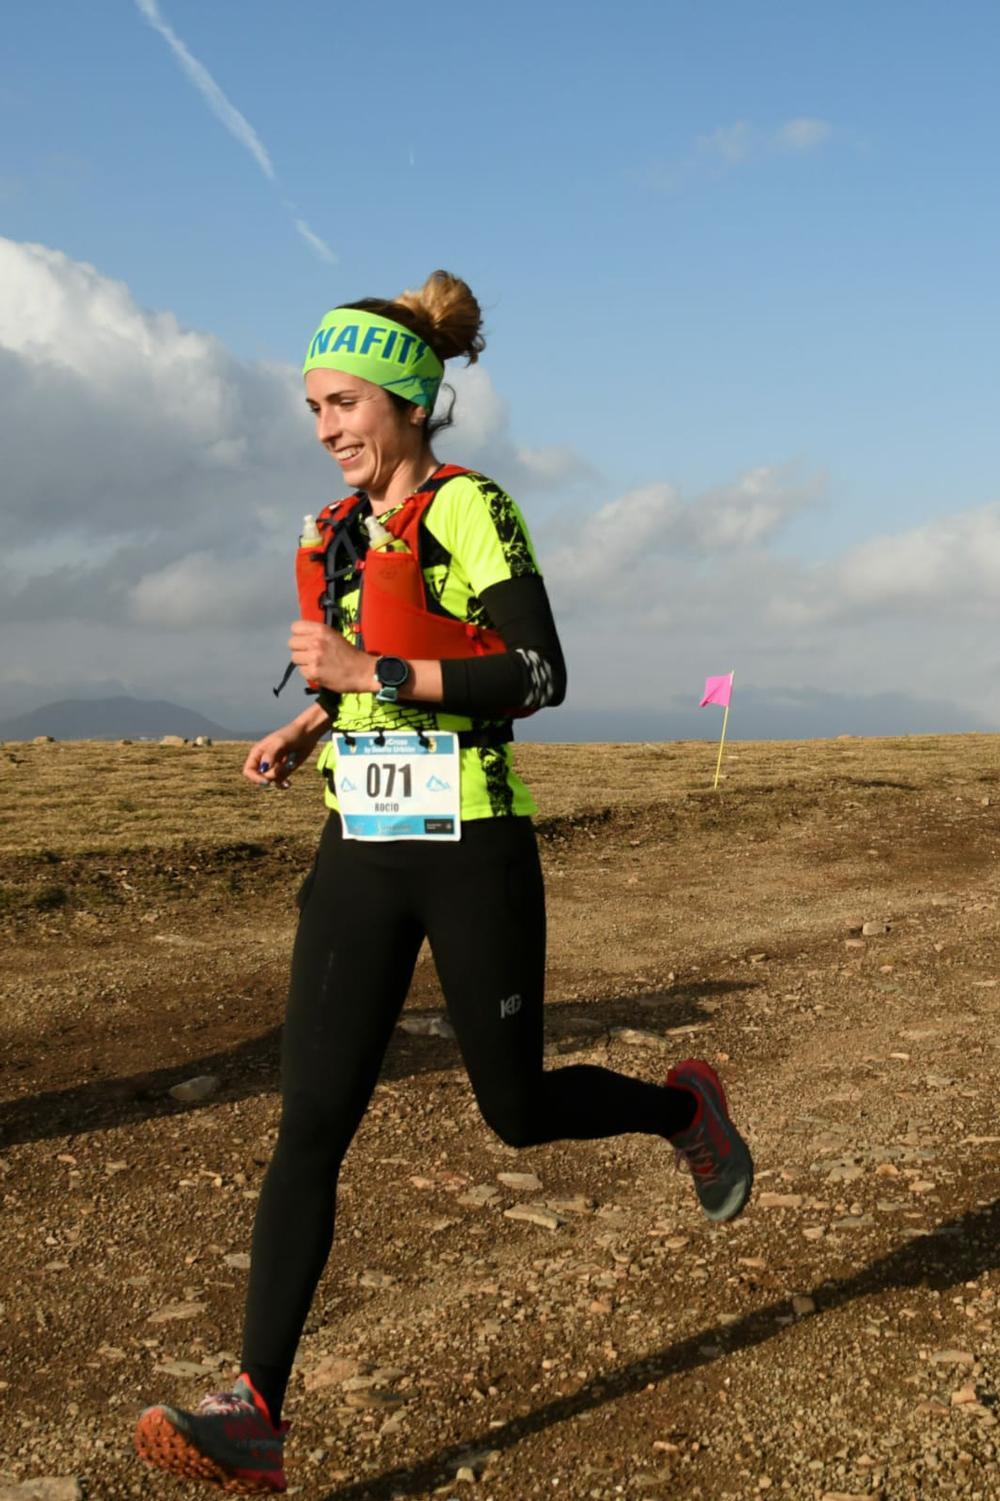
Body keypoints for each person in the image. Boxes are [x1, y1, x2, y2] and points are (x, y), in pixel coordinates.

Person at [134, 271, 754, 1494]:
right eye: (313, 407)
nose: (326, 427)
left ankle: (685, 1111)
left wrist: (368, 666)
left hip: (473, 846)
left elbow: (533, 672)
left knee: (514, 1109)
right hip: (357, 851)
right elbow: (360, 672)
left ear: (409, 401)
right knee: (310, 1120)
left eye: (345, 402)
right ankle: (255, 1402)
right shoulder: (334, 532)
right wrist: (314, 723)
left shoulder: (475, 512)